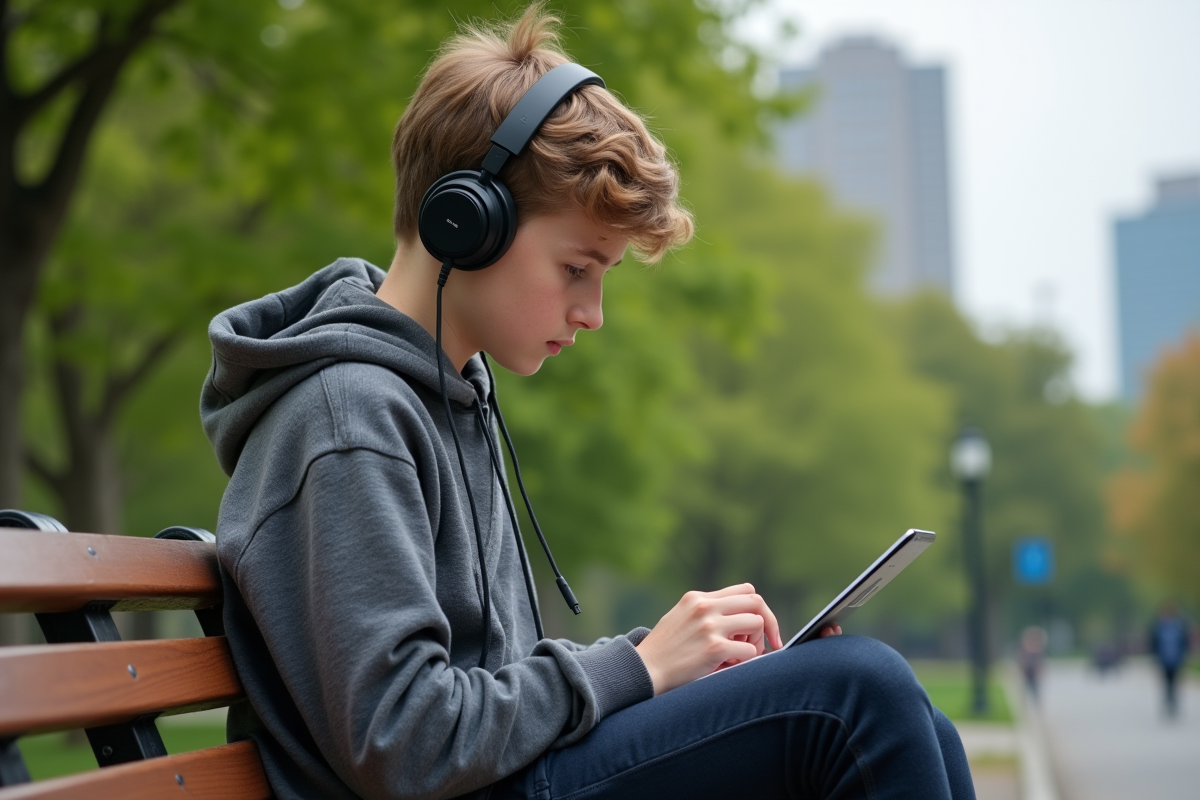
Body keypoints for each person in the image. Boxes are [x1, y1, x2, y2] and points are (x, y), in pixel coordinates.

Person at [200, 5, 974, 799]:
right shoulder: (349, 417)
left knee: (901, 708)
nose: (593, 314)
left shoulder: (443, 393)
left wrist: (675, 660)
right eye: (576, 269)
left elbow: (490, 686)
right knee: (856, 694)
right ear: (465, 224)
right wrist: (638, 667)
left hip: (501, 779)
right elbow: (405, 741)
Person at [1149, 601, 1191, 719]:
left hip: (1176, 659)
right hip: (1163, 660)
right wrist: (1155, 657)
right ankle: (1167, 703)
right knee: (1166, 683)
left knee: (1175, 683)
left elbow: (1184, 642)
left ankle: (1174, 704)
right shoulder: (1158, 627)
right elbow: (1154, 643)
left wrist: (1185, 655)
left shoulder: (1180, 626)